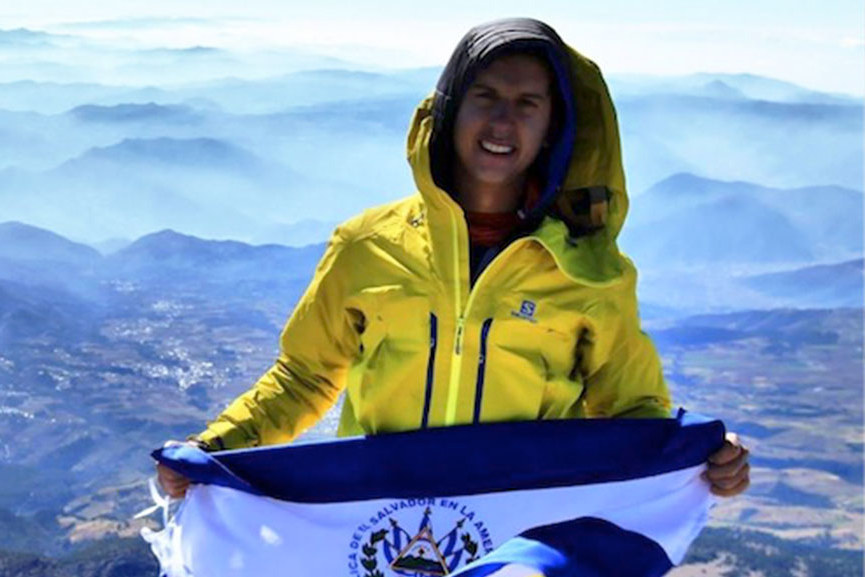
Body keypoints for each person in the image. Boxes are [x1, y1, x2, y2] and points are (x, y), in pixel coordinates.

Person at [158, 18, 750, 499]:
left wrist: (702, 461)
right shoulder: (366, 245)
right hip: (374, 522)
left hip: (518, 525)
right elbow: (306, 376)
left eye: (527, 104)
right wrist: (214, 448)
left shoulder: (589, 272)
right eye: (484, 96)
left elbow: (631, 412)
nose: (501, 120)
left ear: (553, 129)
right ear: (449, 110)